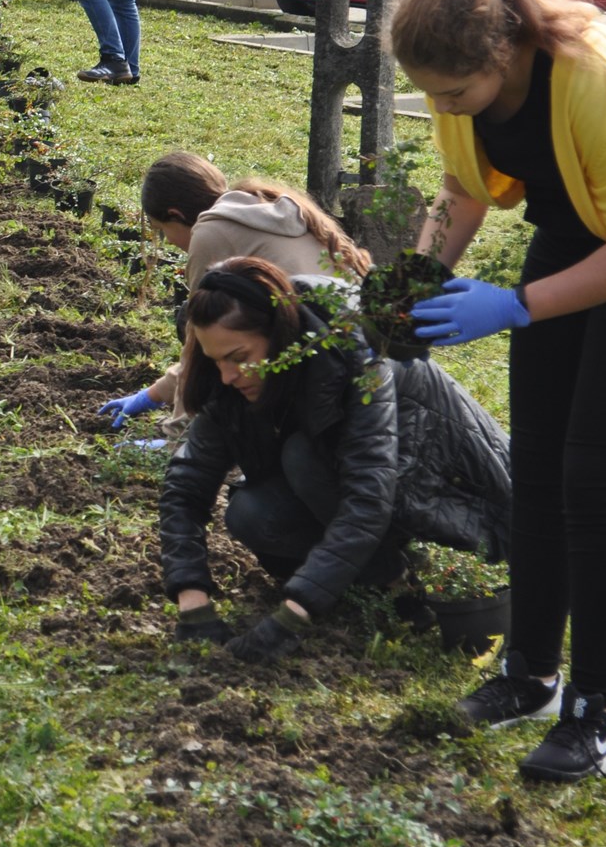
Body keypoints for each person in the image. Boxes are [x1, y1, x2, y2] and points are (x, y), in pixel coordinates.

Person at [385, 0, 606, 783]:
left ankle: (596, 716)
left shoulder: (587, 73)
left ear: (501, 53)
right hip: (576, 230)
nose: (441, 107)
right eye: (429, 94)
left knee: (592, 476)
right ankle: (528, 676)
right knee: (534, 467)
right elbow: (462, 191)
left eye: (451, 93)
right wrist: (404, 291)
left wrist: (516, 303)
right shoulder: (457, 86)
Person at [159, 257, 512, 665]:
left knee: (301, 458)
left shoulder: (355, 354)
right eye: (216, 360)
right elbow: (187, 483)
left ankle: (398, 579)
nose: (227, 375)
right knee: (251, 515)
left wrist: (289, 620)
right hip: (352, 484)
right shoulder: (229, 375)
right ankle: (356, 577)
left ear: (279, 336)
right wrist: (193, 604)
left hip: (443, 488)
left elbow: (368, 498)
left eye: (238, 357)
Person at [101, 152, 371, 425]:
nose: (168, 242)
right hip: (351, 353)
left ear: (176, 214)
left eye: (163, 230)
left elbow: (197, 344)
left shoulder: (210, 232)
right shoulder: (260, 206)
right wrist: (153, 394)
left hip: (311, 369)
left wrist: (179, 432)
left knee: (202, 317)